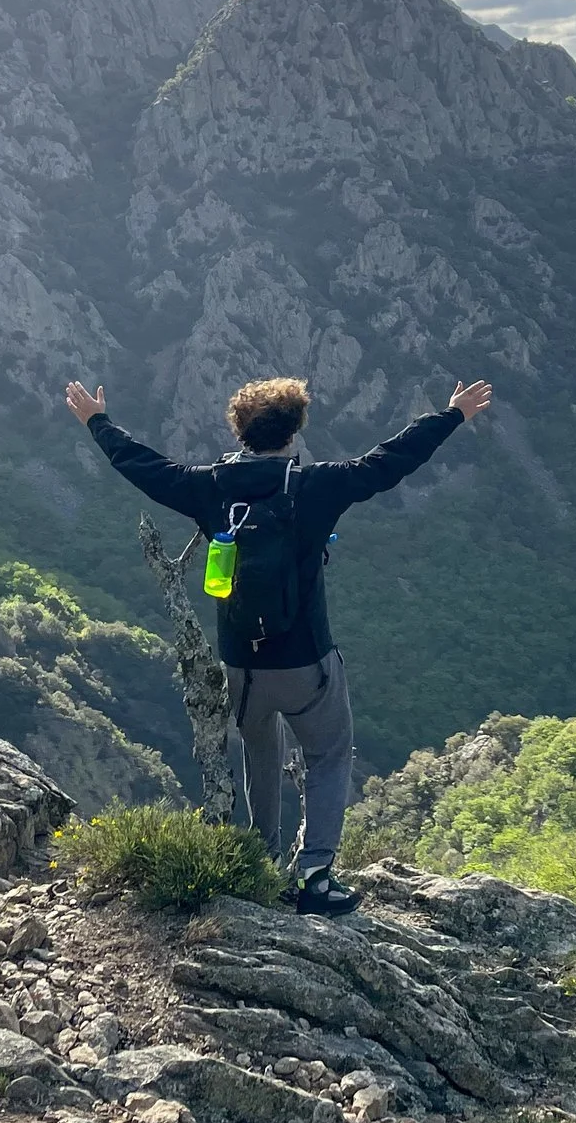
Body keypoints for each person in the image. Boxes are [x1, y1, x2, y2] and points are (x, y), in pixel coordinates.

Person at [64, 373, 493, 915]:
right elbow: (389, 461)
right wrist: (451, 415)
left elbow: (145, 467)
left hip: (241, 663)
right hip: (305, 661)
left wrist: (97, 422)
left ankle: (261, 860)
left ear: (239, 431)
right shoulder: (315, 487)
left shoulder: (209, 487)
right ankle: (314, 876)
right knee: (329, 755)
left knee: (261, 753)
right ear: (295, 431)